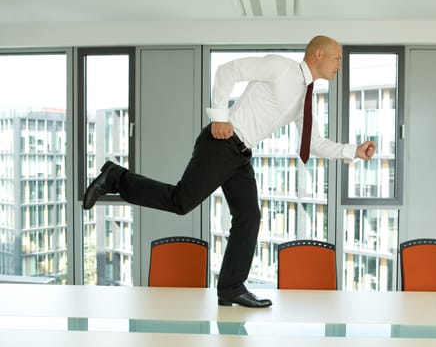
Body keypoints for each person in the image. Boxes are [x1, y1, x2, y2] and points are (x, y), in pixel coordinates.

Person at [82, 35, 376, 308]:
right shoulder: (281, 67)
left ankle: (231, 287)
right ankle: (115, 177)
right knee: (181, 202)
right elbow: (228, 70)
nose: (340, 64)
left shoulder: (304, 97)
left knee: (249, 216)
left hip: (241, 155)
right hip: (222, 143)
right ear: (318, 53)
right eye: (337, 58)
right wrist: (220, 116)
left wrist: (353, 151)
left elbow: (312, 143)